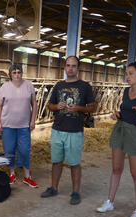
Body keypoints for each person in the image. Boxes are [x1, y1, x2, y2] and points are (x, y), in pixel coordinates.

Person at [96, 61, 136, 217]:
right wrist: (117, 115)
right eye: (126, 73)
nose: (127, 76)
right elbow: (124, 112)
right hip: (121, 130)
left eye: (130, 73)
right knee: (116, 168)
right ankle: (109, 202)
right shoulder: (125, 91)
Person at [40, 56, 96, 205]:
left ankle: (76, 192)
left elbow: (93, 107)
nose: (70, 68)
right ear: (64, 67)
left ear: (78, 68)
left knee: (74, 163)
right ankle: (53, 187)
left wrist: (79, 108)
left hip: (75, 131)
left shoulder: (85, 86)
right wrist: (56, 106)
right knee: (56, 161)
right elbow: (50, 106)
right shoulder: (58, 86)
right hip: (57, 129)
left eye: (74, 66)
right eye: (68, 65)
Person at [0, 64, 39, 187]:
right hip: (8, 125)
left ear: (22, 73)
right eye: (14, 72)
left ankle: (27, 176)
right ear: (10, 74)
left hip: (24, 125)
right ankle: (12, 173)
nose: (16, 75)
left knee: (25, 150)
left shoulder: (29, 86)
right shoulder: (5, 87)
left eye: (18, 72)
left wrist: (32, 121)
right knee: (9, 150)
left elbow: (34, 104)